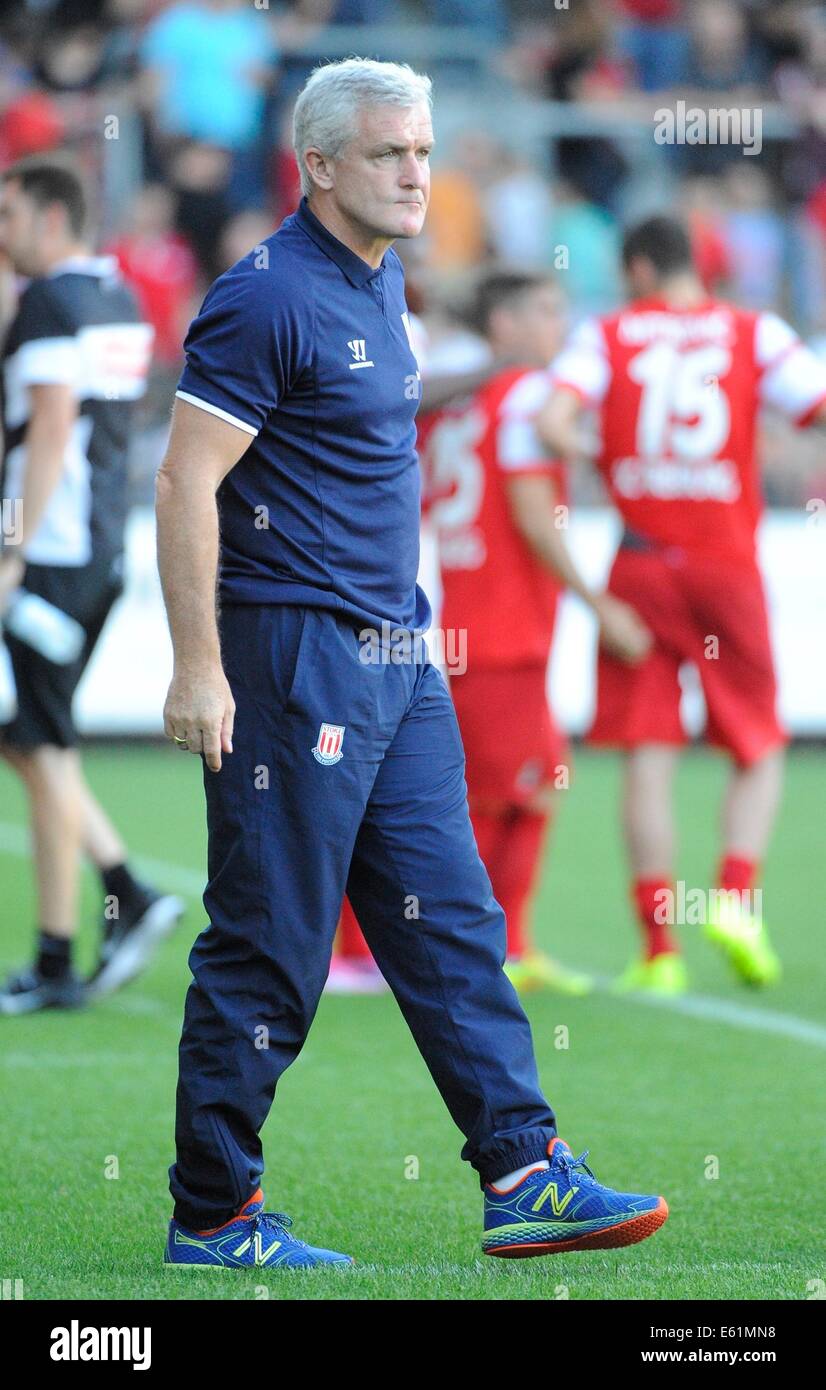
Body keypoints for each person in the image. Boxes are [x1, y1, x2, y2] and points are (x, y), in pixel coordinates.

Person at [156, 58, 668, 1269]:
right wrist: (197, 666)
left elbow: (370, 424)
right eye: (390, 153)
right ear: (319, 164)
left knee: (454, 921)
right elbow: (185, 479)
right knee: (271, 938)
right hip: (293, 657)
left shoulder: (383, 288)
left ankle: (524, 1172)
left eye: (424, 151)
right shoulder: (264, 296)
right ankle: (213, 1213)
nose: (417, 174)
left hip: (401, 654)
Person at [539, 214, 826, 995]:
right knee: (759, 743)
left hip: (638, 564)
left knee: (649, 756)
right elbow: (817, 406)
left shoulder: (610, 335)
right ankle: (733, 894)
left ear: (635, 267)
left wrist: (613, 462)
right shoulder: (752, 332)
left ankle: (659, 950)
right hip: (724, 564)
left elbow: (553, 420)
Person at [420, 269, 650, 995]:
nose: (561, 326)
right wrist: (599, 604)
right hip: (503, 631)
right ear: (507, 325)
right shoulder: (523, 396)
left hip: (471, 619)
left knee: (521, 783)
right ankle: (488, 951)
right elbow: (528, 513)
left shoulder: (461, 402)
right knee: (505, 794)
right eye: (547, 312)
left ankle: (499, 946)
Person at [0, 156, 184, 1015]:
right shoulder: (116, 298)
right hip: (100, 549)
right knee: (33, 738)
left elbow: (47, 431)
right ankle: (70, 938)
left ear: (48, 217)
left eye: (9, 215)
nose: (2, 234)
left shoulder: (49, 301)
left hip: (48, 554)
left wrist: (9, 549)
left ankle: (98, 918)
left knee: (39, 740)